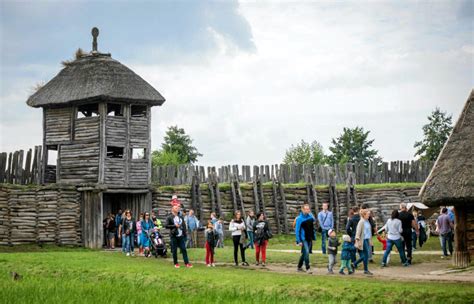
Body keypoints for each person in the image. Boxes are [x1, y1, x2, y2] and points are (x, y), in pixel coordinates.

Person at [295, 204, 316, 274]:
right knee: (306, 252)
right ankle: (308, 268)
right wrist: (299, 241)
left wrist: (314, 238)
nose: (308, 210)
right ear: (303, 209)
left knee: (304, 253)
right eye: (306, 209)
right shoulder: (299, 219)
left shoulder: (310, 218)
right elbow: (297, 230)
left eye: (308, 209)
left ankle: (299, 267)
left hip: (309, 237)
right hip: (303, 238)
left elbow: (312, 229)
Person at [354, 209, 373, 275]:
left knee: (366, 256)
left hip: (367, 239)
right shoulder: (361, 222)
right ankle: (365, 269)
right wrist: (357, 240)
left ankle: (355, 264)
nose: (369, 215)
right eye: (368, 214)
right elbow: (358, 232)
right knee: (366, 255)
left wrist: (370, 240)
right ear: (364, 215)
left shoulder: (367, 221)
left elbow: (369, 232)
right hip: (363, 240)